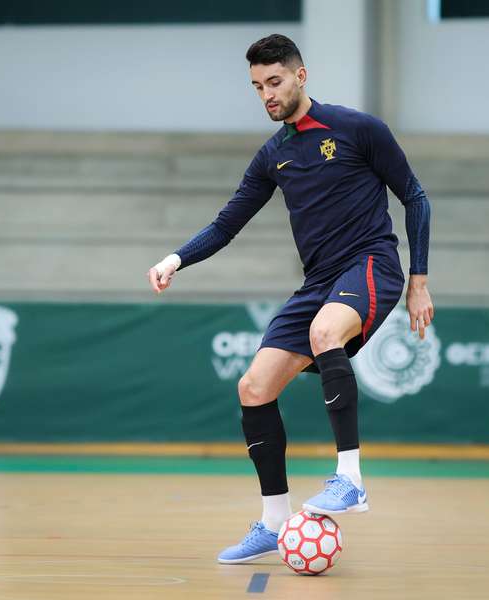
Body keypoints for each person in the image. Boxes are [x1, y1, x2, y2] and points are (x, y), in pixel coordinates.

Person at [146, 34, 434, 564]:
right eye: (257, 87)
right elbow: (226, 224)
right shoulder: (273, 155)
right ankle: (274, 521)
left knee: (326, 332)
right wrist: (175, 259)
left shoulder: (358, 129)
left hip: (370, 263)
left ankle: (350, 479)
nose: (266, 95)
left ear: (301, 76)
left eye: (274, 82)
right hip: (317, 281)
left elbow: (414, 195)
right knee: (253, 387)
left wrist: (419, 280)